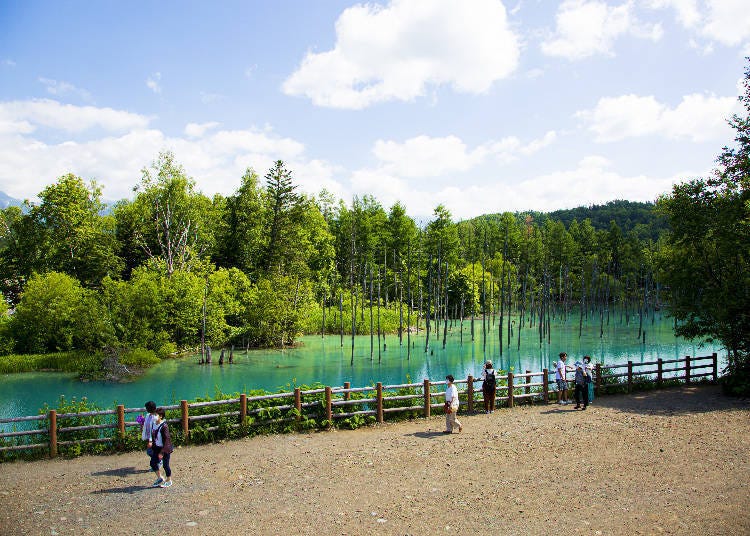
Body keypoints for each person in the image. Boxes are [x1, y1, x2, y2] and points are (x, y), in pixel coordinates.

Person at [149, 408, 174, 488]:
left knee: (165, 465)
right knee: (152, 463)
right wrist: (151, 442)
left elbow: (167, 440)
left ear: (161, 416)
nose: (154, 416)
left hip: (165, 448)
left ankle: (169, 480)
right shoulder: (154, 424)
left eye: (156, 415)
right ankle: (160, 478)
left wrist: (162, 452)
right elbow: (152, 434)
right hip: (156, 447)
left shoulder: (164, 426)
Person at [141, 401, 160, 468]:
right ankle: (157, 462)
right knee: (152, 451)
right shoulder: (148, 415)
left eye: (147, 407)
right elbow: (146, 425)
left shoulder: (156, 417)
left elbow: (154, 429)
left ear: (150, 408)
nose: (146, 409)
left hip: (154, 438)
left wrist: (151, 440)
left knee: (150, 452)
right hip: (149, 437)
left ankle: (158, 462)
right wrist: (142, 420)